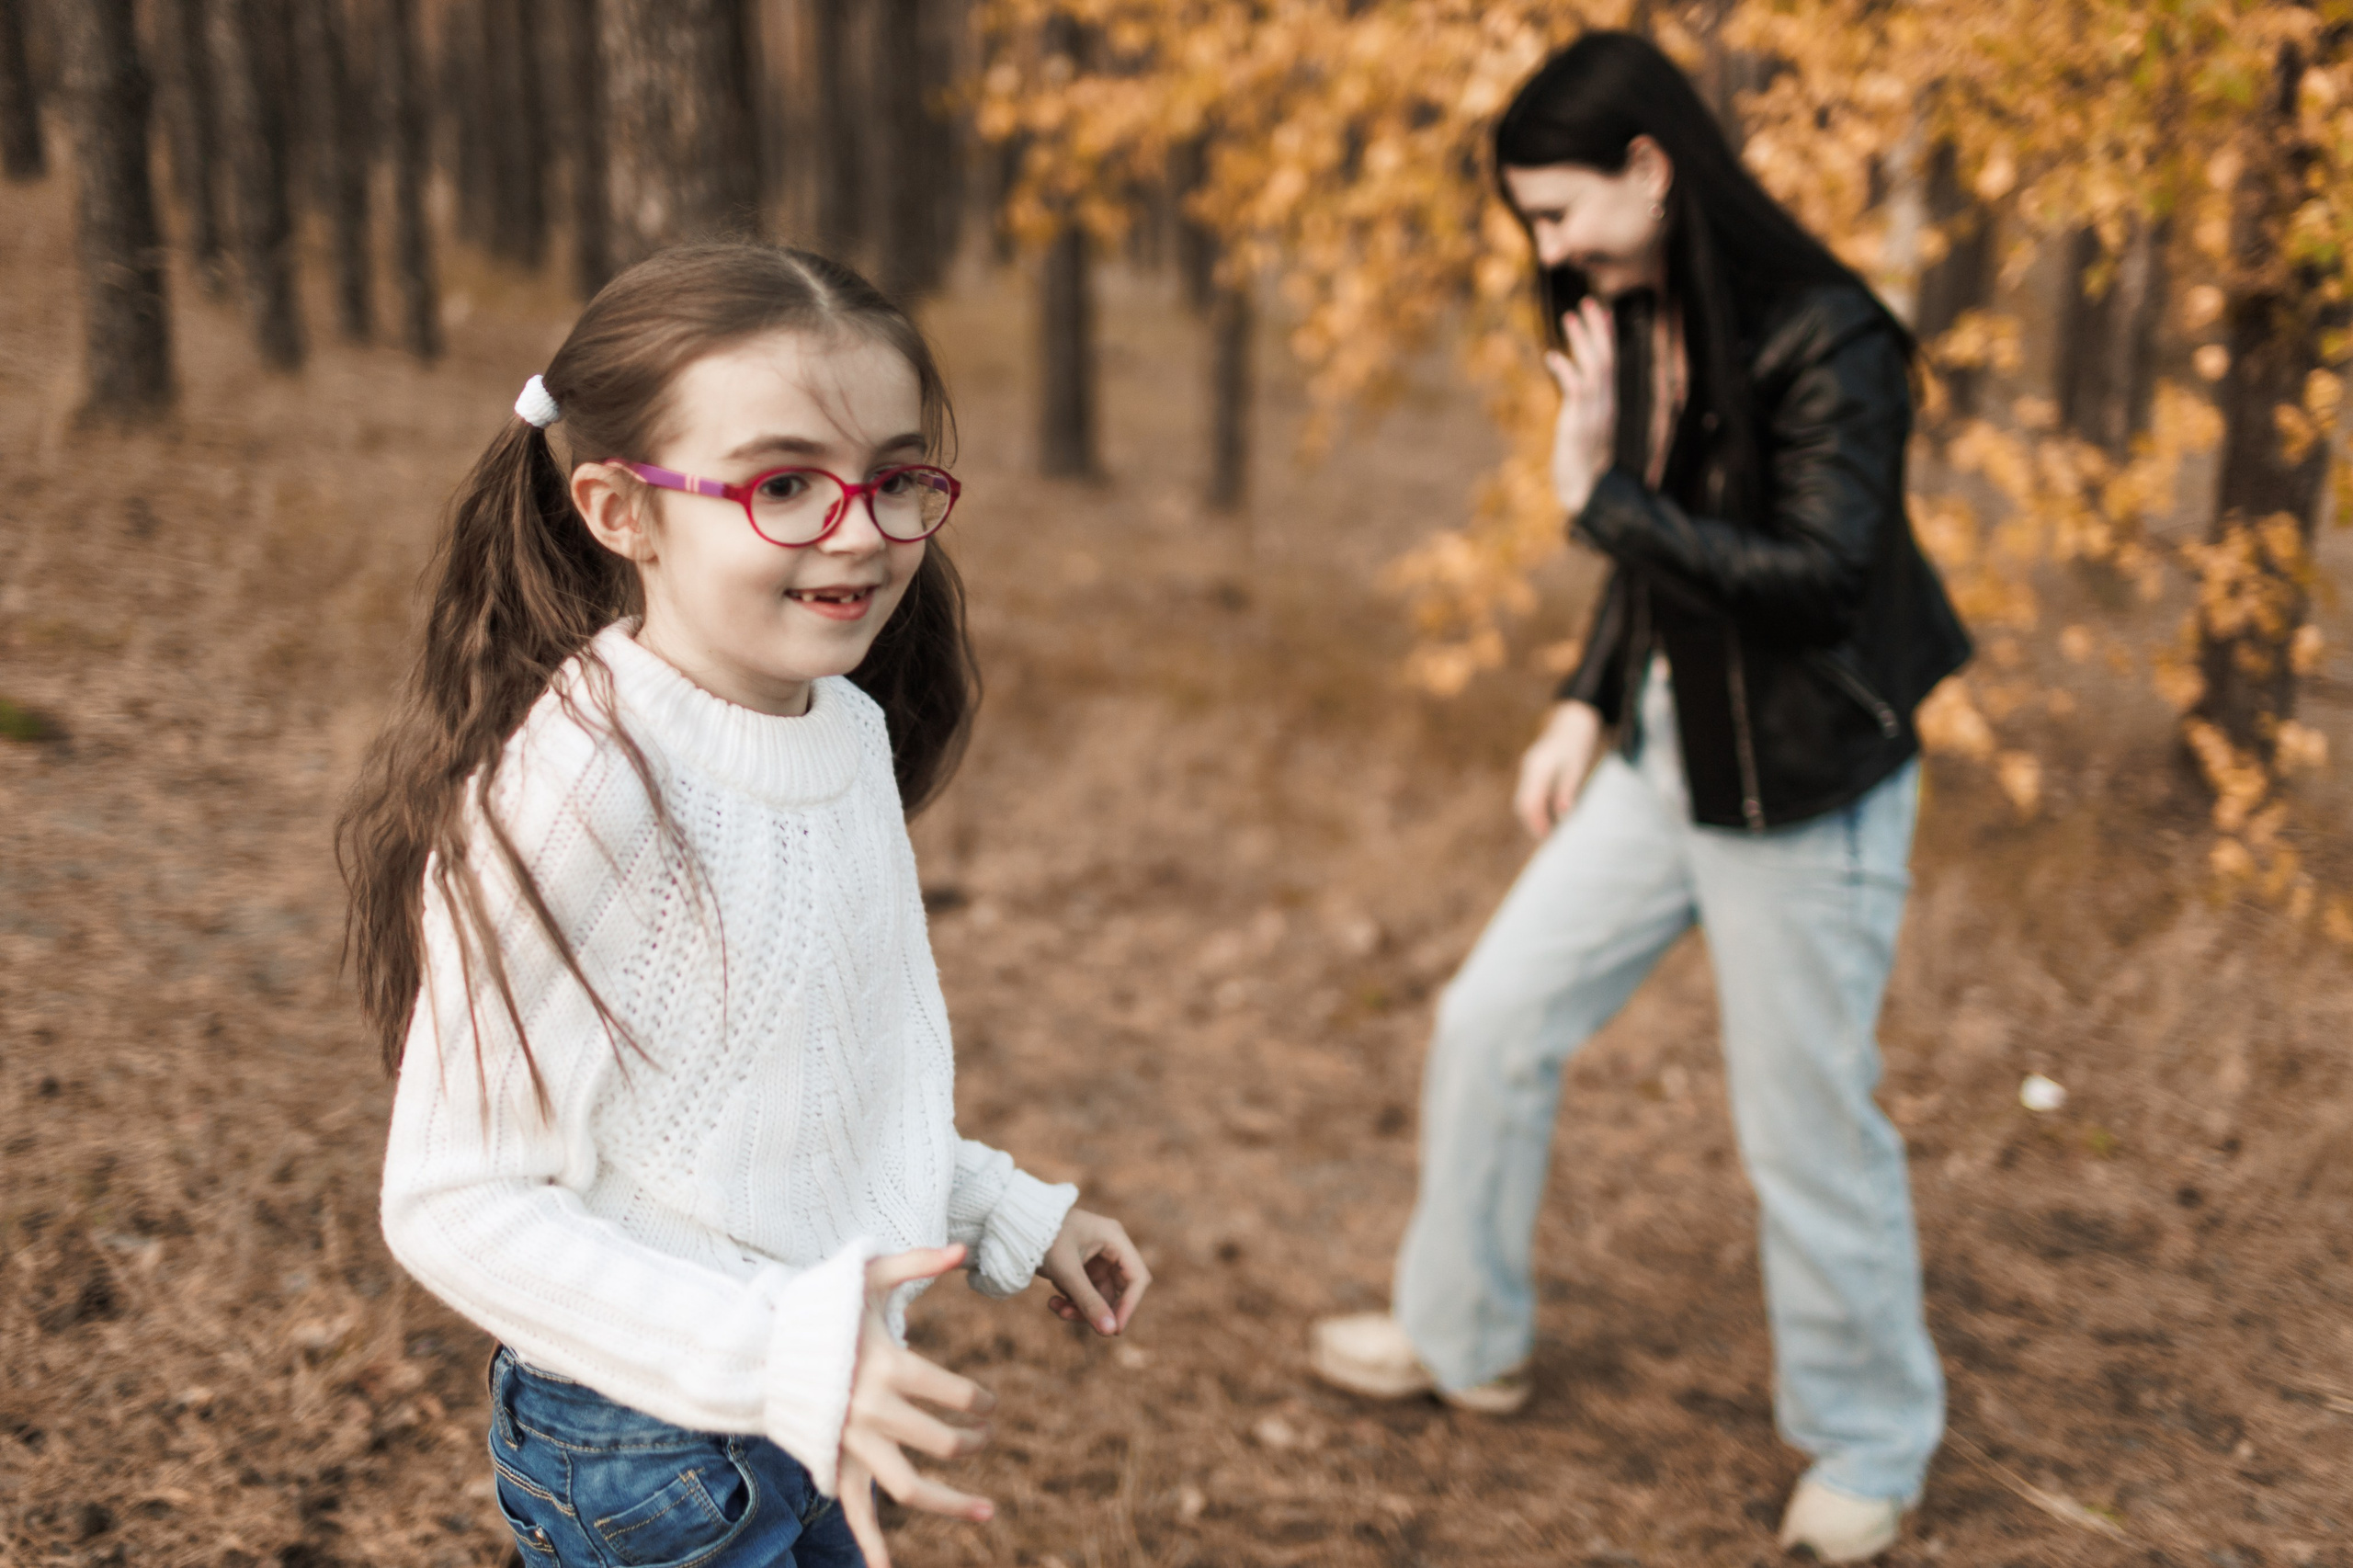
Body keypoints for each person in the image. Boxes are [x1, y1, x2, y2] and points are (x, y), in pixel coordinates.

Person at [340, 244, 1151, 1568]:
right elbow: (452, 1200)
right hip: (652, 1442)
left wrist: (1008, 1209)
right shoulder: (579, 793)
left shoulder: (840, 724)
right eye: (784, 483)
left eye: (893, 477)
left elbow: (794, 1091)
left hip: (804, 1384)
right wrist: (776, 1351)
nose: (859, 531)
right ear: (620, 509)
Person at [1307, 32, 1971, 1565]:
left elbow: (1818, 581)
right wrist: (1586, 699)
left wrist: (1600, 497)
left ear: (1652, 170)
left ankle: (1871, 1439)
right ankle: (1461, 1332)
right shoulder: (1643, 314)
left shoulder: (1831, 337)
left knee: (1805, 1126)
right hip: (1675, 755)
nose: (1547, 251)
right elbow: (1664, 556)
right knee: (1490, 1020)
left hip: (1806, 785)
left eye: (1561, 213)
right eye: (1530, 222)